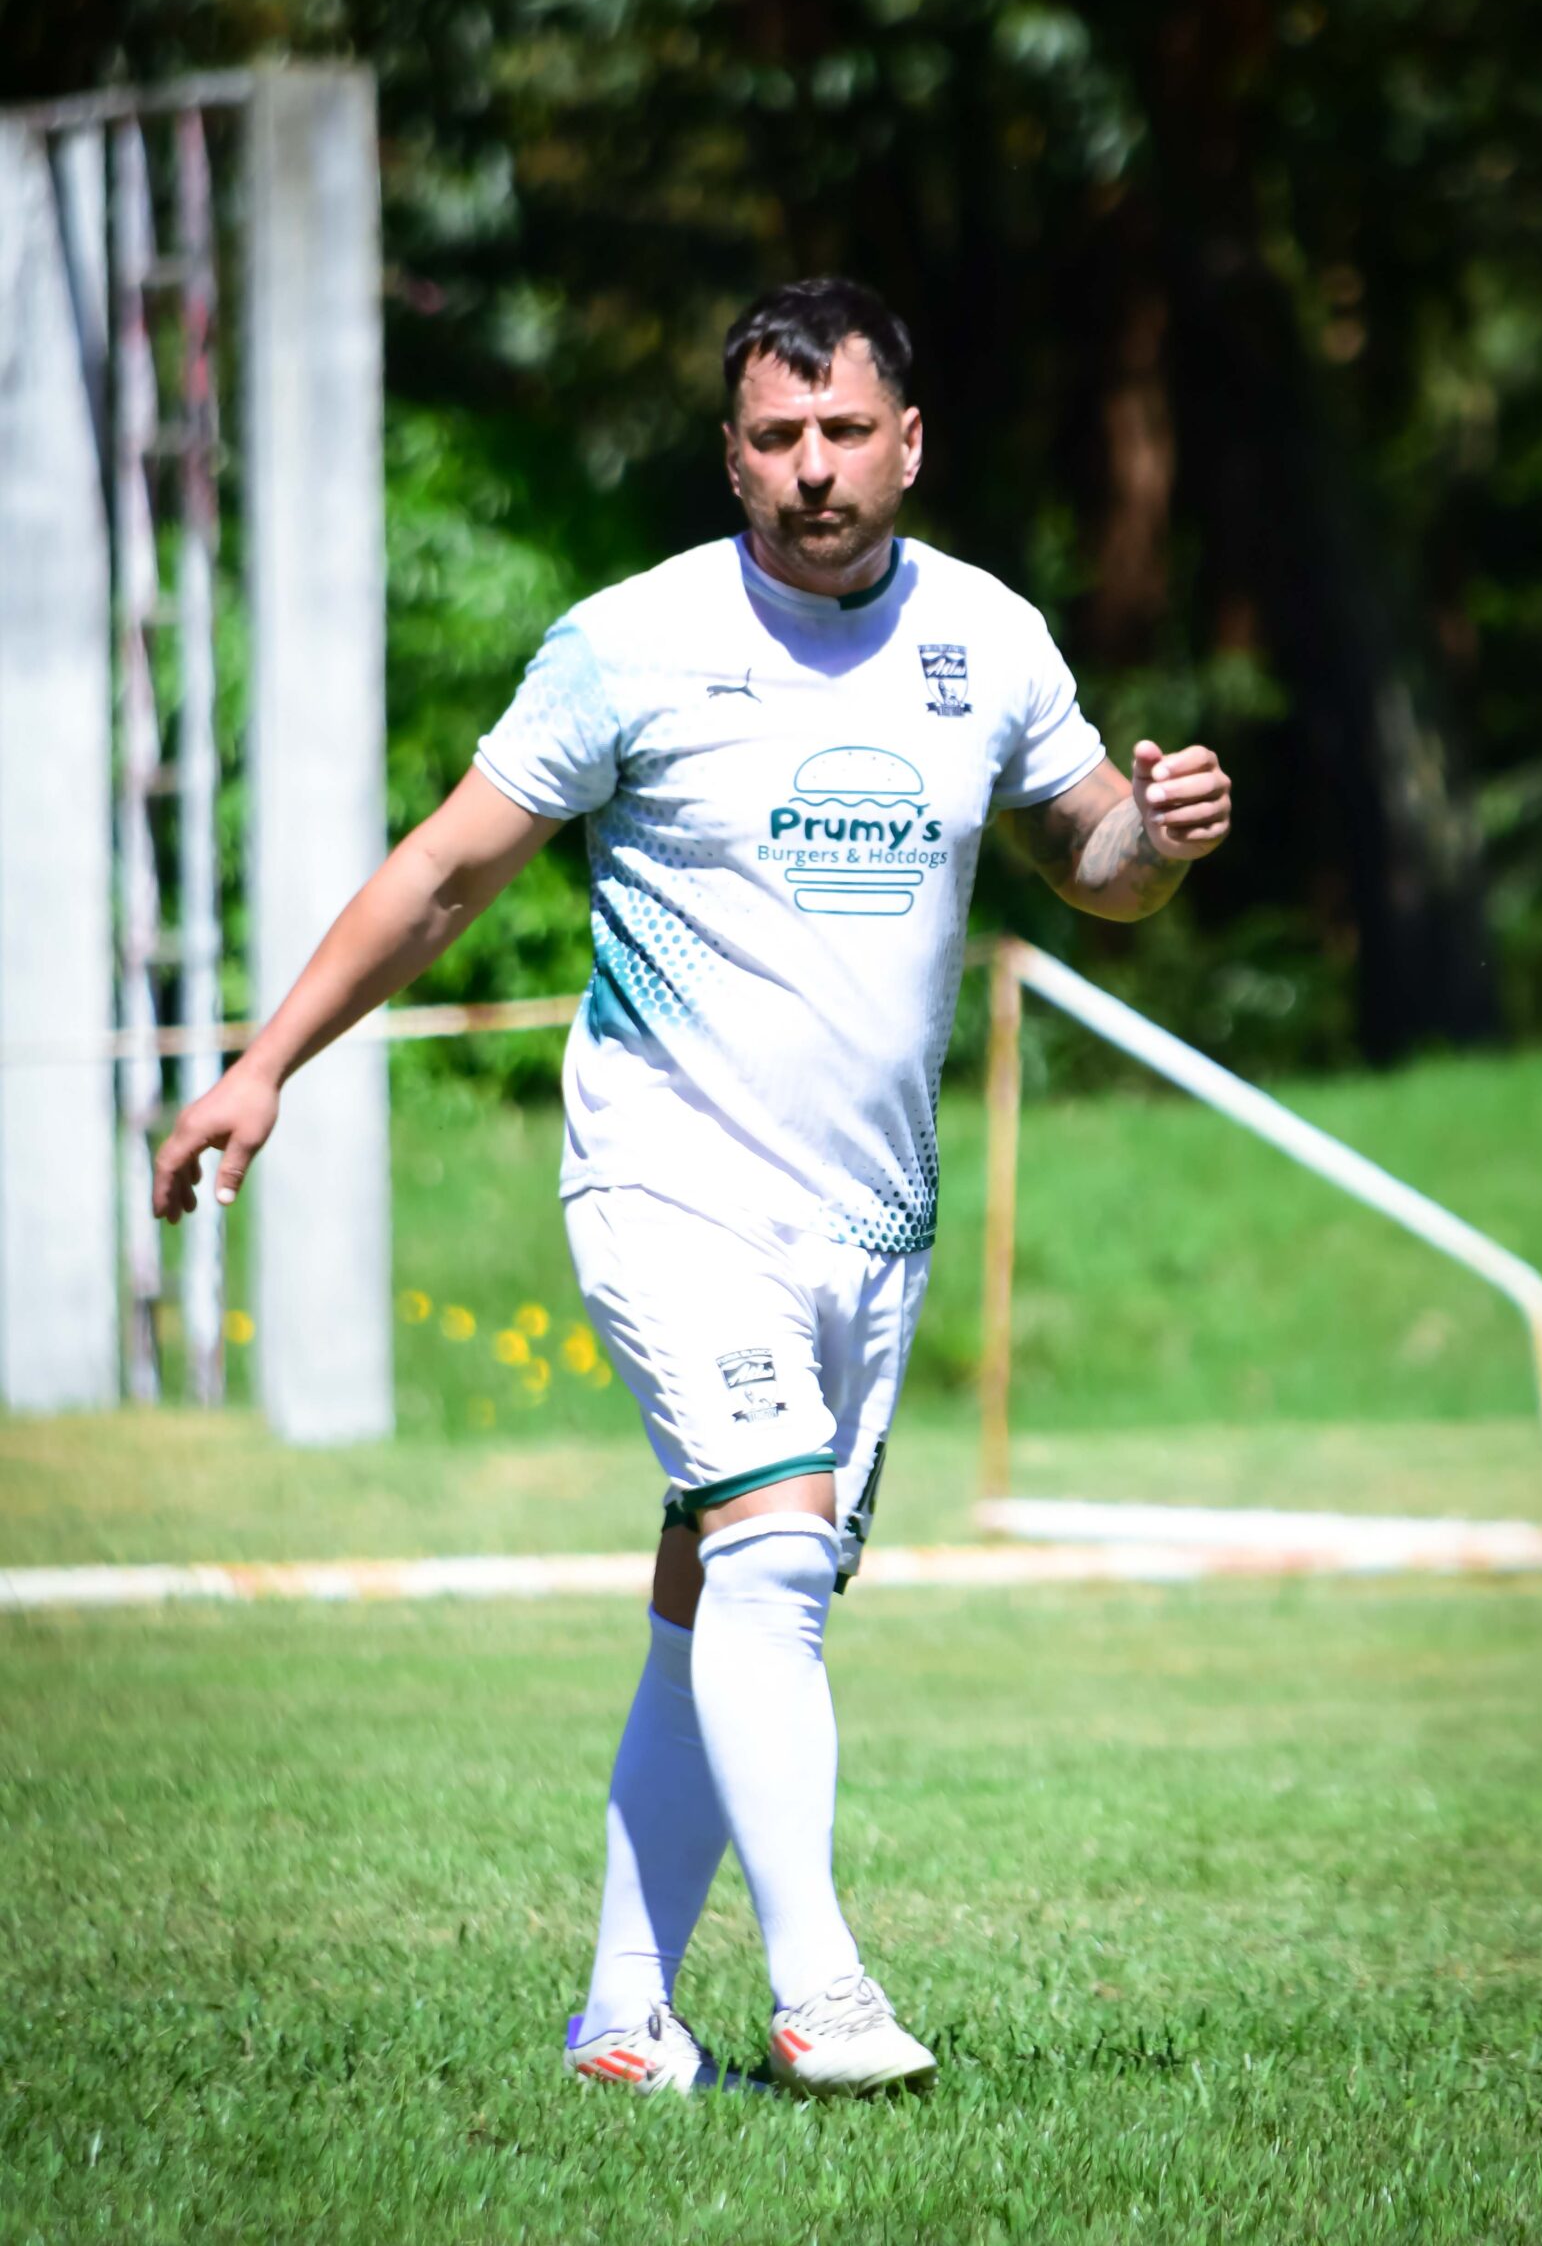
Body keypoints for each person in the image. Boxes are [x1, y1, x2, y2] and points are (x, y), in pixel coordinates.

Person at [153, 276, 1232, 2100]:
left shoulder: (988, 637)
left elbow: (1093, 864)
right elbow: (444, 874)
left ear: (909, 443)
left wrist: (1164, 835)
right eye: (775, 437)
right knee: (777, 1548)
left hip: (871, 1224)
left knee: (721, 1589)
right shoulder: (631, 644)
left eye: (845, 432)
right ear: (730, 458)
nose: (813, 469)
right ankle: (821, 1991)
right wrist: (266, 1064)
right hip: (671, 1185)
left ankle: (622, 2023)